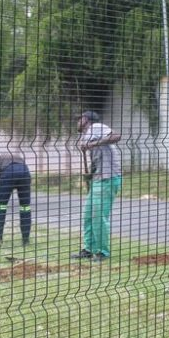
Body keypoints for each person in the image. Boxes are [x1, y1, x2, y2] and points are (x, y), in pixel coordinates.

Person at [71, 111, 122, 262]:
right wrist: (90, 174)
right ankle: (89, 249)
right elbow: (98, 157)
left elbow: (116, 136)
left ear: (85, 120)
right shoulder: (87, 134)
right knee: (88, 216)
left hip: (108, 178)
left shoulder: (96, 127)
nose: (77, 122)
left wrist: (92, 144)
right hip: (98, 179)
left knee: (99, 216)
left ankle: (102, 252)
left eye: (79, 119)